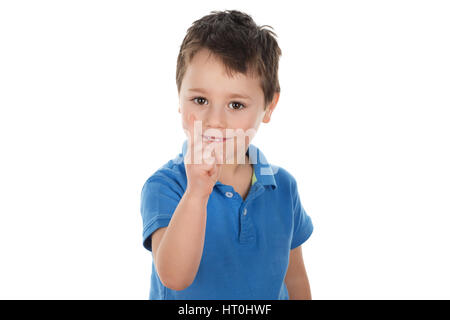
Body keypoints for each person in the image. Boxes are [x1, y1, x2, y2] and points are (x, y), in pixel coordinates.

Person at [140, 9, 313, 300]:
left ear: (269, 106)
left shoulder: (283, 187)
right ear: (179, 99)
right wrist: (197, 193)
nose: (215, 121)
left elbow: (294, 278)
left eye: (235, 105)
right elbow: (174, 277)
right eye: (200, 100)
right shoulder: (166, 186)